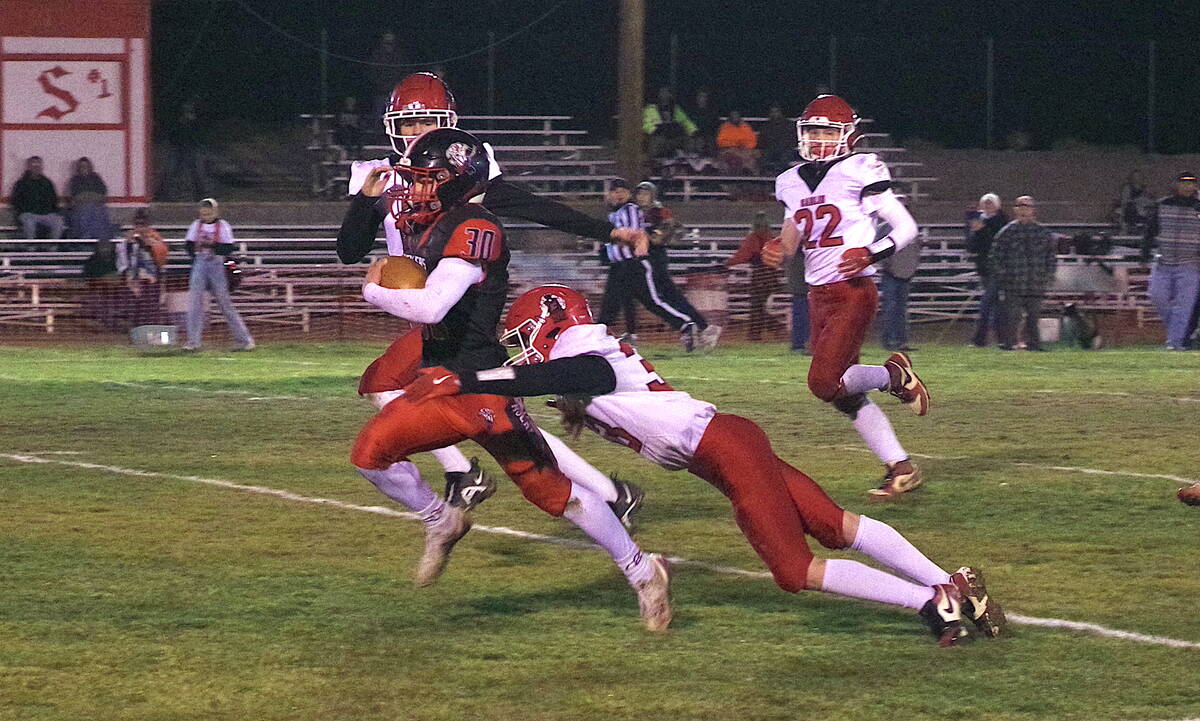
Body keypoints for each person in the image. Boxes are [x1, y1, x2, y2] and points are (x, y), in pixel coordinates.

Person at [398, 284, 1008, 647]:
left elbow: (574, 374)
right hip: (721, 450)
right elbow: (575, 387)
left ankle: (932, 602)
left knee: (793, 570)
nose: (522, 345)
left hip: (722, 447)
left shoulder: (581, 349)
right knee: (829, 523)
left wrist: (475, 377)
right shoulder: (577, 354)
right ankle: (948, 584)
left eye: (527, 333)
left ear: (554, 323)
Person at [349, 129, 671, 630]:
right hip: (436, 381)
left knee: (552, 495)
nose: (415, 190)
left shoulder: (477, 226)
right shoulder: (437, 221)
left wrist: (376, 291)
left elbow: (433, 304)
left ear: (457, 180)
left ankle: (641, 569)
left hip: (479, 387)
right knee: (370, 456)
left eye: (427, 180)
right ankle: (442, 518)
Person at [335, 72, 649, 527]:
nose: (418, 134)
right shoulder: (378, 176)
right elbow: (349, 251)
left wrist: (610, 230)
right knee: (499, 419)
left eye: (427, 123)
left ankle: (465, 475)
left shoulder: (464, 172)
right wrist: (366, 201)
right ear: (391, 127)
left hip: (458, 307)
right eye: (407, 125)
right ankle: (610, 493)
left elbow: (533, 206)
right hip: (425, 309)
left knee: (391, 386)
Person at [763, 95, 927, 499]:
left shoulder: (861, 168)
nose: (819, 139)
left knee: (823, 382)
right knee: (844, 396)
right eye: (813, 131)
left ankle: (893, 375)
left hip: (853, 290)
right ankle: (901, 468)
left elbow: (906, 227)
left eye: (827, 131)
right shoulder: (789, 180)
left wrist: (871, 252)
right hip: (819, 292)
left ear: (848, 135)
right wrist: (778, 247)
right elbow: (795, 231)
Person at [604, 181, 720, 352]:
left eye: (646, 194)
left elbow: (669, 233)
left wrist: (649, 237)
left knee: (668, 298)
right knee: (633, 298)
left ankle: (701, 327)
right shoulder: (631, 211)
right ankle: (632, 332)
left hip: (654, 260)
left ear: (653, 195)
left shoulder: (658, 212)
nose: (642, 197)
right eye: (640, 194)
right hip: (640, 260)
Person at [183, 198, 254, 351]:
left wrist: (213, 246)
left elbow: (228, 248)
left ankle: (244, 340)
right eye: (203, 214)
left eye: (208, 214)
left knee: (224, 303)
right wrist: (196, 254)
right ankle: (193, 342)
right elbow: (189, 245)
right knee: (195, 302)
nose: (206, 217)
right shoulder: (196, 225)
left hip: (218, 264)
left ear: (215, 212)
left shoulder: (223, 226)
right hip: (201, 263)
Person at [989, 195, 1057, 351]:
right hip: (1014, 282)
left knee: (1033, 317)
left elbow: (1051, 257)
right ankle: (1009, 344)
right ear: (1015, 210)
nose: (1024, 210)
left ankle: (1034, 344)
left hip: (1035, 282)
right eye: (1020, 207)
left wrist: (1048, 275)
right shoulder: (1006, 232)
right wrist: (1003, 275)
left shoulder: (1043, 233)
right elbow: (994, 256)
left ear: (1033, 211)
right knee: (1012, 317)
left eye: (1027, 207)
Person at [1142, 172, 1200, 351]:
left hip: (1190, 264)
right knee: (1157, 297)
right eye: (1184, 183)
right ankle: (1178, 334)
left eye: (1191, 183)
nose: (1187, 186)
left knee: (1185, 306)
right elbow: (1150, 230)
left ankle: (1175, 343)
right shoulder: (1162, 205)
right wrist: (1144, 251)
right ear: (1176, 184)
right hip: (1163, 263)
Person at [724, 211, 780, 341]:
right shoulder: (770, 237)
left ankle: (760, 332)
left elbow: (744, 255)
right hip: (771, 275)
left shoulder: (753, 238)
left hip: (759, 274)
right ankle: (769, 329)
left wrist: (727, 264)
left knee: (756, 305)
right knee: (760, 305)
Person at [966, 193, 1008, 347]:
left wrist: (981, 230)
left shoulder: (1001, 222)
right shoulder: (979, 220)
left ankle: (979, 337)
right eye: (985, 203)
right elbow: (972, 246)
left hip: (997, 268)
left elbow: (995, 243)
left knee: (986, 302)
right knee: (995, 304)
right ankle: (1002, 338)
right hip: (984, 268)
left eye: (991, 203)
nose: (988, 206)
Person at [879, 226, 922, 351]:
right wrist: (889, 267)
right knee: (891, 308)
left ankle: (901, 340)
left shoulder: (912, 230)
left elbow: (915, 250)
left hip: (905, 273)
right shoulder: (887, 229)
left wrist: (911, 268)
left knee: (901, 309)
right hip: (892, 273)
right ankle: (890, 340)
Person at [157, 97, 207, 200]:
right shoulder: (176, 121)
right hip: (178, 148)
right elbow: (172, 133)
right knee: (170, 172)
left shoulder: (198, 121)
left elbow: (201, 134)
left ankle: (200, 196)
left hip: (193, 148)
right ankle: (163, 195)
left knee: (198, 173)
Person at [10, 156, 64, 240]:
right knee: (29, 222)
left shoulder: (47, 182)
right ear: (29, 167)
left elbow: (54, 200)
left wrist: (52, 211)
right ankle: (31, 247)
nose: (36, 167)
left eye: (38, 165)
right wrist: (24, 210)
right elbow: (16, 201)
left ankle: (53, 247)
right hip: (28, 213)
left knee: (58, 221)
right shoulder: (21, 183)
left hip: (46, 213)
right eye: (33, 165)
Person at [642, 87, 697, 161]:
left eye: (666, 92)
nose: (664, 95)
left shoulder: (676, 109)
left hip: (673, 137)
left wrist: (693, 131)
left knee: (690, 139)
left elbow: (686, 122)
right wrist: (656, 131)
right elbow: (645, 125)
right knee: (657, 141)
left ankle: (686, 161)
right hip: (658, 137)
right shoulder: (650, 109)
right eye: (662, 92)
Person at [65, 157, 113, 241]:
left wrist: (86, 196)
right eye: (82, 166)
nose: (84, 168)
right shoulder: (74, 180)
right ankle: (86, 240)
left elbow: (103, 195)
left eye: (86, 166)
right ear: (78, 168)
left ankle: (100, 241)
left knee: (98, 210)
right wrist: (91, 197)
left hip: (97, 207)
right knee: (87, 210)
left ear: (90, 167)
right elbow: (75, 198)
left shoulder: (96, 178)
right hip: (79, 209)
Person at [715, 110, 760, 176]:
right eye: (733, 115)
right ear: (730, 117)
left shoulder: (745, 127)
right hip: (730, 150)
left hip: (745, 150)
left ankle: (750, 175)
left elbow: (753, 141)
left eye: (736, 115)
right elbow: (720, 141)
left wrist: (744, 146)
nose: (735, 117)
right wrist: (734, 145)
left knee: (754, 155)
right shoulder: (725, 127)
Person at [759, 103, 798, 175]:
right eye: (772, 112)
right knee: (764, 156)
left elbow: (792, 139)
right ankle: (766, 175)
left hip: (786, 148)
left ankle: (779, 173)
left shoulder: (788, 124)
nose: (774, 114)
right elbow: (762, 139)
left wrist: (783, 146)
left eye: (776, 112)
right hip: (771, 148)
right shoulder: (766, 125)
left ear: (780, 113)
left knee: (785, 157)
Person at [686, 88, 720, 157]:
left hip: (707, 135)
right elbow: (688, 126)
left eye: (703, 96)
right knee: (690, 143)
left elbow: (713, 128)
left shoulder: (712, 111)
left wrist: (703, 137)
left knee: (704, 142)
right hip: (694, 135)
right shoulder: (691, 111)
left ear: (706, 99)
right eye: (699, 96)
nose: (701, 99)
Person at [787, 250, 810, 353]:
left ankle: (801, 344)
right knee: (801, 312)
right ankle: (800, 344)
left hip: (808, 284)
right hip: (803, 284)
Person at [1118, 170, 1152, 234]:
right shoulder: (1127, 188)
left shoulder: (1144, 188)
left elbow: (1149, 200)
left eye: (1139, 176)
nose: (1137, 178)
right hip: (1131, 213)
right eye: (1135, 176)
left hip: (1143, 212)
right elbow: (1125, 201)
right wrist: (1136, 201)